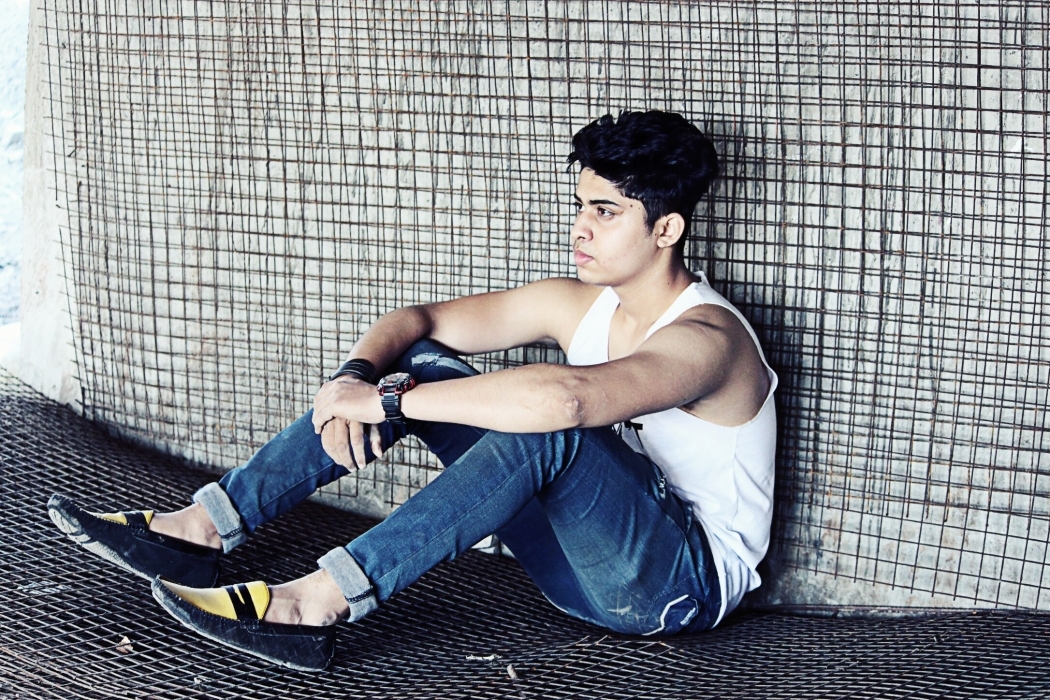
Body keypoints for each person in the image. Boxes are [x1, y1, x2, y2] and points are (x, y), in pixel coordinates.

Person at [48, 110, 777, 672]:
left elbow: (567, 402)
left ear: (666, 228)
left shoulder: (709, 340)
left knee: (548, 426)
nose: (579, 228)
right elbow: (416, 322)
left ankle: (316, 604)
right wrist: (355, 379)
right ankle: (203, 530)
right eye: (580, 205)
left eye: (606, 212)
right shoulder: (579, 303)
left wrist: (389, 403)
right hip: (574, 567)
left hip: (675, 590)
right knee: (419, 361)